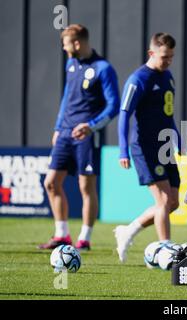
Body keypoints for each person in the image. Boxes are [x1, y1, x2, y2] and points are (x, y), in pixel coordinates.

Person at [39, 24, 120, 251]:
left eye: (66, 45)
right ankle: (62, 235)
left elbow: (113, 106)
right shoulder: (71, 64)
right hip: (64, 133)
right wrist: (57, 128)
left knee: (86, 186)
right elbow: (67, 98)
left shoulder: (104, 68)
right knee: (51, 183)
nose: (64, 50)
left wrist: (91, 126)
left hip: (87, 137)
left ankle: (84, 239)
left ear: (77, 43)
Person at [114, 33, 184, 263]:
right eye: (164, 57)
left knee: (173, 202)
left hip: (165, 146)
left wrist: (179, 139)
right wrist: (123, 150)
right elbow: (124, 114)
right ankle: (166, 250)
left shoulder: (169, 77)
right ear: (151, 53)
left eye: (171, 57)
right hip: (145, 147)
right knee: (163, 200)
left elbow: (168, 113)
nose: (168, 61)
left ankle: (128, 230)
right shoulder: (139, 79)